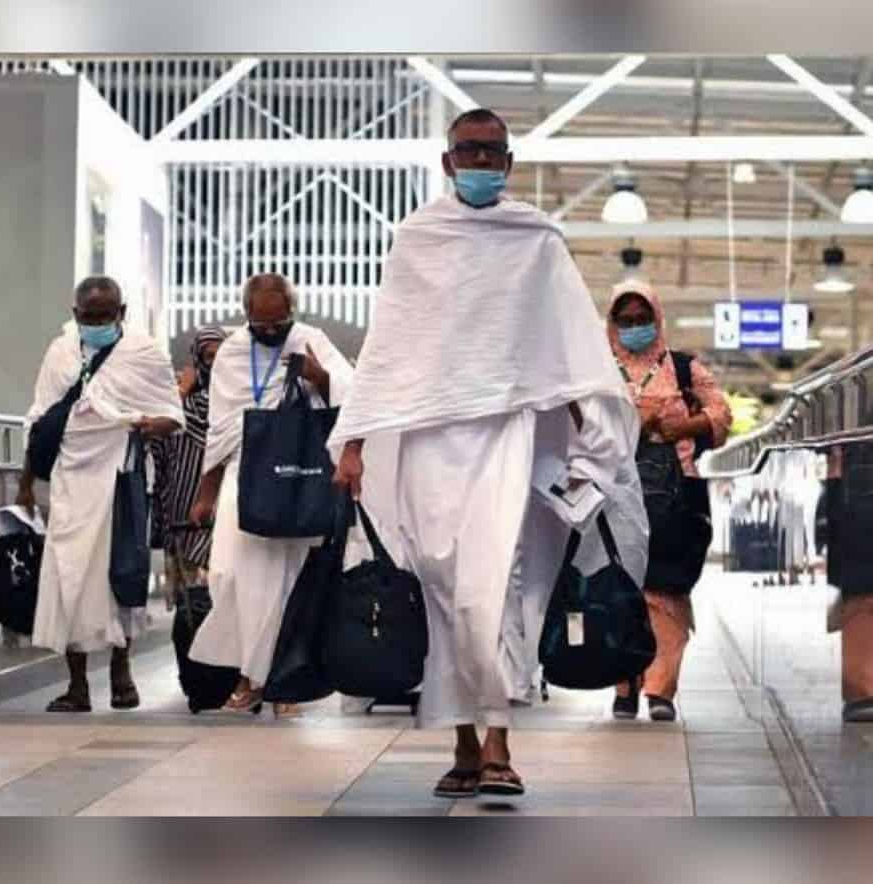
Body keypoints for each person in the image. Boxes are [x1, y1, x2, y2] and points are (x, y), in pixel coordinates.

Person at [329, 108, 639, 799]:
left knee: (494, 585)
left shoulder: (536, 238)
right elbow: (388, 346)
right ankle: (464, 745)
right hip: (427, 435)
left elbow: (568, 341)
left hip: (508, 432)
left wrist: (588, 431)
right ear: (447, 162)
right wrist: (352, 443)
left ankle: (498, 742)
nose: (479, 162)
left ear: (509, 162)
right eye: (468, 151)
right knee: (442, 587)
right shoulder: (418, 238)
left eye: (492, 152)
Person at [188, 274, 353, 718]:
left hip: (296, 475)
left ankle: (278, 684)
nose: (269, 332)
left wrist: (320, 378)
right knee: (231, 578)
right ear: (246, 315)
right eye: (260, 325)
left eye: (278, 324)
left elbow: (350, 394)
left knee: (288, 583)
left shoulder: (311, 340)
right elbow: (220, 428)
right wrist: (206, 493)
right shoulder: (232, 352)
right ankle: (250, 676)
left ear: (291, 312)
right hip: (244, 474)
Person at [17, 276, 183, 712]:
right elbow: (41, 419)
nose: (96, 324)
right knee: (69, 576)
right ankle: (77, 686)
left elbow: (172, 415)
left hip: (119, 478)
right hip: (70, 483)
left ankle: (121, 674)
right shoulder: (60, 353)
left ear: (122, 313)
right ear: (75, 315)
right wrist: (26, 484)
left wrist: (147, 424)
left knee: (120, 572)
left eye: (105, 316)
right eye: (88, 317)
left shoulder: (144, 352)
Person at [608, 281, 731, 722]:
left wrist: (684, 427)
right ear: (612, 323)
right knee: (619, 589)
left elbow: (721, 413)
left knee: (667, 590)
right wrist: (630, 425)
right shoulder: (598, 369)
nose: (634, 327)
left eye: (643, 319)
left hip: (676, 495)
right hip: (614, 495)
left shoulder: (682, 368)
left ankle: (661, 688)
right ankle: (624, 683)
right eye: (626, 320)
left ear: (657, 319)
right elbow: (579, 422)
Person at [150, 326, 227, 610]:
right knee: (189, 606)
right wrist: (180, 393)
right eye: (208, 357)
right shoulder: (178, 403)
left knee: (222, 596)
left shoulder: (238, 402)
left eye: (221, 357)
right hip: (182, 512)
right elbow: (158, 451)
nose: (215, 365)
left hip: (223, 511)